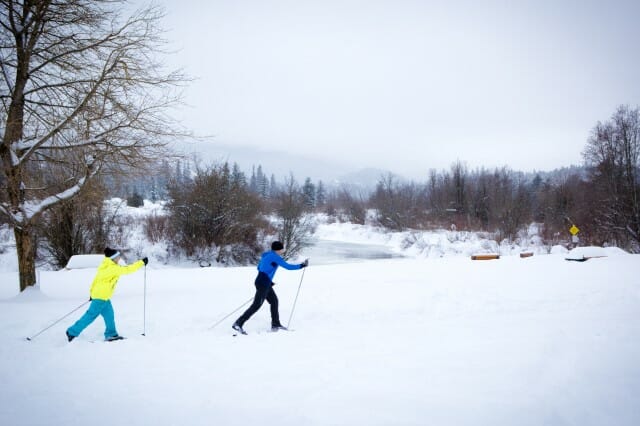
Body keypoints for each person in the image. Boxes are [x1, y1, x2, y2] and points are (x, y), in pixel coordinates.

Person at [66, 247, 148, 342]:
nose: (119, 259)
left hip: (103, 297)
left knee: (109, 315)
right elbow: (127, 270)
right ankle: (72, 332)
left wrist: (92, 294)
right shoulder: (111, 268)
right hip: (101, 297)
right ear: (113, 258)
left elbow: (96, 280)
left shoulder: (105, 265)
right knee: (90, 316)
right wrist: (141, 262)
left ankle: (111, 334)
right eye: (118, 257)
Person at [233, 241, 308, 335]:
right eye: (282, 249)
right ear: (278, 249)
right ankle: (238, 323)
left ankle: (275, 324)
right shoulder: (275, 257)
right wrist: (302, 265)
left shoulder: (267, 255)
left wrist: (267, 277)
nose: (283, 250)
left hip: (263, 281)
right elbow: (288, 267)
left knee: (274, 301)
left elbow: (259, 267)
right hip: (263, 283)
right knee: (256, 305)